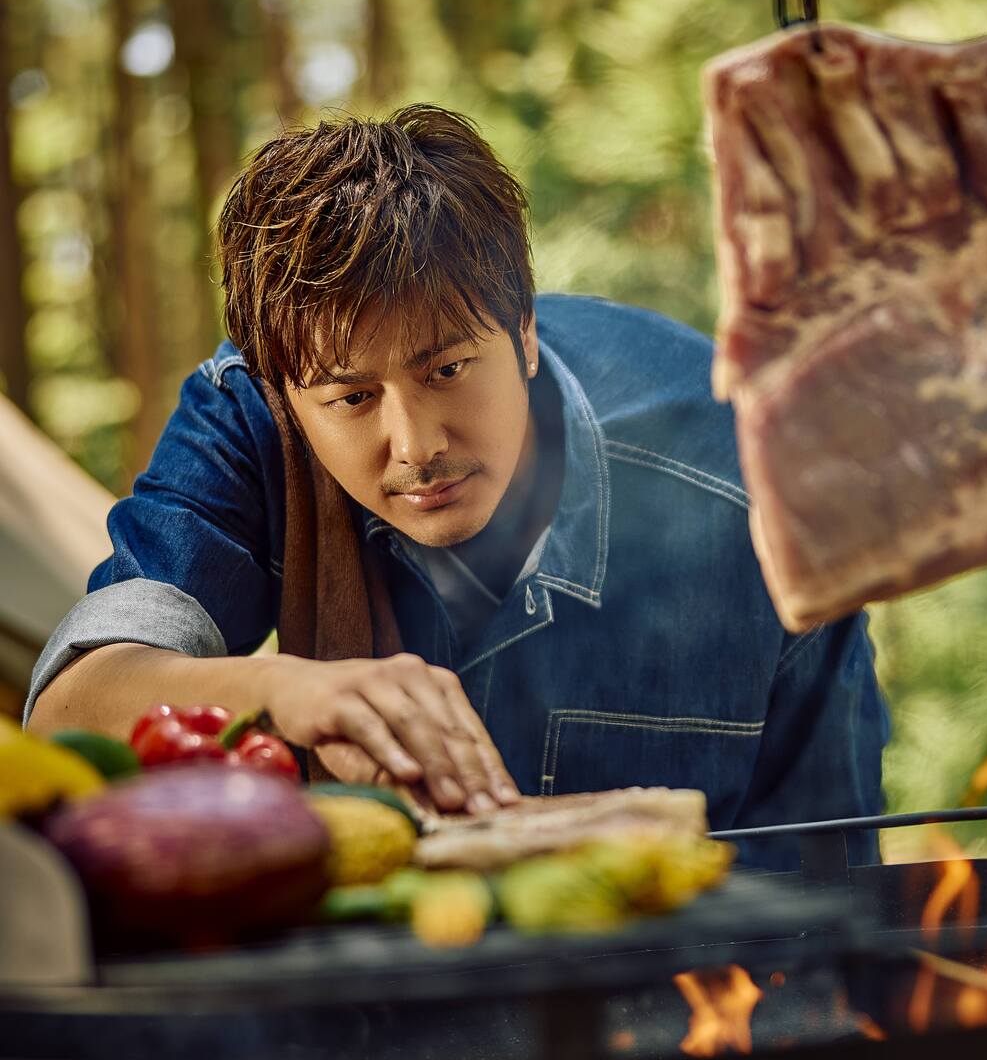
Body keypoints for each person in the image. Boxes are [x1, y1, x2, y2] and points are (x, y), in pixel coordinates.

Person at [26, 104, 886, 869]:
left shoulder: (749, 477)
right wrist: (288, 693)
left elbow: (830, 879)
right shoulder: (247, 421)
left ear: (525, 331)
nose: (415, 446)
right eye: (352, 397)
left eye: (447, 367)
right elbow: (71, 706)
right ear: (284, 394)